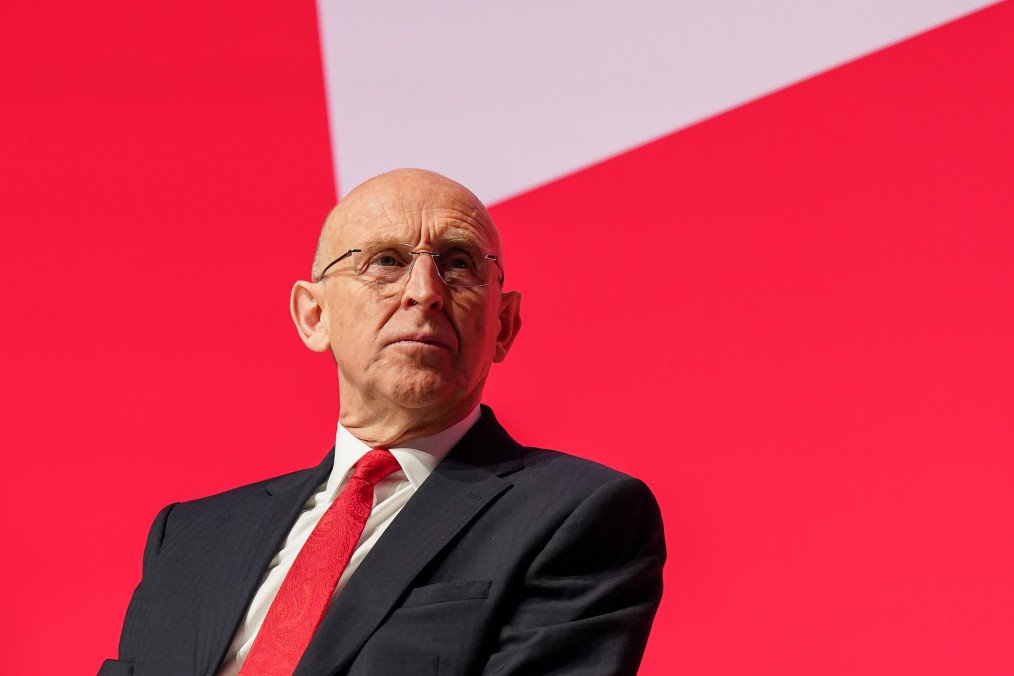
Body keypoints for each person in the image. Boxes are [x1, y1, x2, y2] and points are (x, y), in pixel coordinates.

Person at [100, 169, 665, 675]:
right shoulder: (192, 537)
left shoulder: (578, 515)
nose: (425, 294)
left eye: (459, 263)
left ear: (505, 325)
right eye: (386, 262)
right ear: (314, 315)